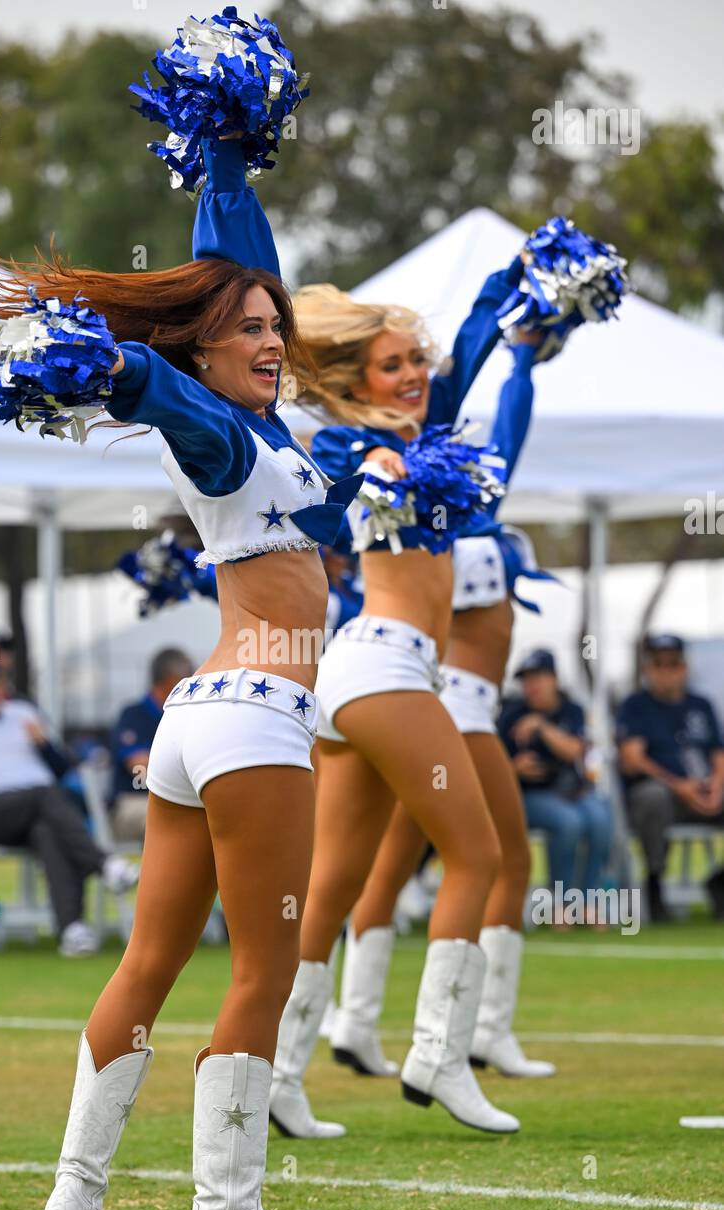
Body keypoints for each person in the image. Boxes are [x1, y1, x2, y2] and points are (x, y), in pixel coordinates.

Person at [0, 124, 359, 1210]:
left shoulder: (267, 426)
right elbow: (158, 387)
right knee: (262, 972)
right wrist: (110, 366)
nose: (272, 342)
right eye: (250, 332)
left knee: (147, 964)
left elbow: (235, 258)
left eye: (277, 327)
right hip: (253, 721)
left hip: (196, 722)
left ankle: (73, 1197)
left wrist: (227, 161)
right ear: (203, 351)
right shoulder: (220, 431)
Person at [267, 264, 538, 1143]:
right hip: (384, 670)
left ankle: (277, 1074)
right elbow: (350, 467)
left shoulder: (428, 432)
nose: (414, 373)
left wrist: (515, 293)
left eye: (414, 359)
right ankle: (439, 1055)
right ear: (355, 382)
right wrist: (372, 458)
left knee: (333, 885)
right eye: (392, 365)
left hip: (366, 682)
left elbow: (469, 371)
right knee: (480, 856)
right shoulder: (352, 442)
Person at [329, 344, 558, 1082]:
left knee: (385, 869)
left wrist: (522, 363)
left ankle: (355, 1022)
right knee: (502, 859)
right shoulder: (437, 506)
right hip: (444, 702)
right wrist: (515, 365)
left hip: (436, 699)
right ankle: (475, 1035)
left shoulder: (456, 496)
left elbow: (502, 448)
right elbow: (503, 448)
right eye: (393, 365)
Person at [0, 657, 138, 957]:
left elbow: (64, 769)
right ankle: (104, 864)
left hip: (38, 811)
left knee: (47, 831)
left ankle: (72, 929)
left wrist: (44, 745)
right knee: (45, 795)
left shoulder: (23, 714)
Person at [498, 649, 613, 924]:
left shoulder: (572, 710)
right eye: (526, 679)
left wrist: (542, 728)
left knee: (600, 817)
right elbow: (491, 763)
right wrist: (514, 768)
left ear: (553, 679)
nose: (532, 685)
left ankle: (590, 899)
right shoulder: (510, 713)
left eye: (538, 677)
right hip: (527, 795)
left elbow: (577, 752)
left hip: (570, 790)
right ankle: (561, 902)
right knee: (568, 822)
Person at [616, 633, 724, 921]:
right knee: (652, 796)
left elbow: (718, 752)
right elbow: (632, 758)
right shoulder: (635, 706)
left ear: (684, 668)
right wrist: (679, 787)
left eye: (672, 665)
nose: (666, 673)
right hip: (663, 794)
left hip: (704, 789)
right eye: (658, 665)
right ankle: (654, 882)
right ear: (647, 669)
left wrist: (717, 785)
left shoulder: (701, 705)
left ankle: (720, 881)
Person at [110, 648, 193, 841]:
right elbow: (139, 768)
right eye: (189, 674)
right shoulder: (133, 715)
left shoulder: (184, 716)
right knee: (177, 821)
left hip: (174, 800)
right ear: (173, 679)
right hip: (132, 803)